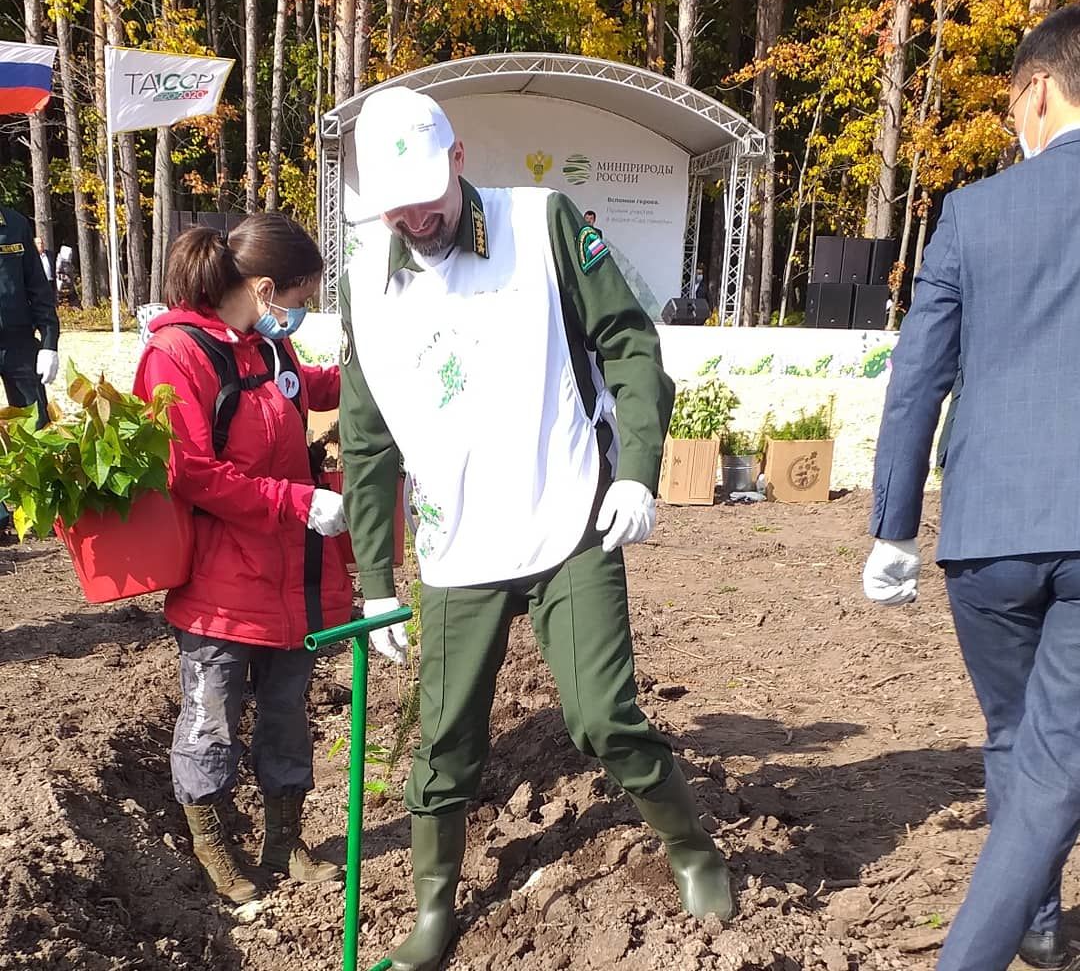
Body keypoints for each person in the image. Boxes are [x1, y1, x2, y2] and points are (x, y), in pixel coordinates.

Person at [339, 87, 734, 971]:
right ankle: (435, 910)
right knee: (444, 743)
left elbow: (630, 343)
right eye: (393, 202)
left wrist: (635, 471)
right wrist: (376, 583)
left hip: (566, 516)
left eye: (425, 193)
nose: (414, 216)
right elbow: (365, 440)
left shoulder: (541, 224)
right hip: (455, 543)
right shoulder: (365, 275)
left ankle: (692, 850)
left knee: (602, 718)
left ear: (458, 158)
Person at [863, 3, 1080, 971]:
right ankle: (991, 940)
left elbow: (919, 374)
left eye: (1010, 106)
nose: (1010, 126)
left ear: (1040, 90)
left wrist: (892, 528)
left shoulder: (973, 213)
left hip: (986, 534)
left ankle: (1030, 921)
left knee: (1016, 737)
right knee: (1051, 765)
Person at [132, 214, 353, 905]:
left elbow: (308, 390)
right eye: (301, 299)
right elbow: (191, 472)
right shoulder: (176, 356)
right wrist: (295, 502)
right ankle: (214, 843)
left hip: (290, 579)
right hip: (221, 583)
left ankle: (286, 842)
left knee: (288, 710)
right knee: (213, 713)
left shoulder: (266, 347)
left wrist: (366, 373)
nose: (302, 313)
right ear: (263, 288)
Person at [0, 204, 58, 427]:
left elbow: (38, 289)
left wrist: (49, 343)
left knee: (37, 428)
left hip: (19, 344)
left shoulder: (15, 224)